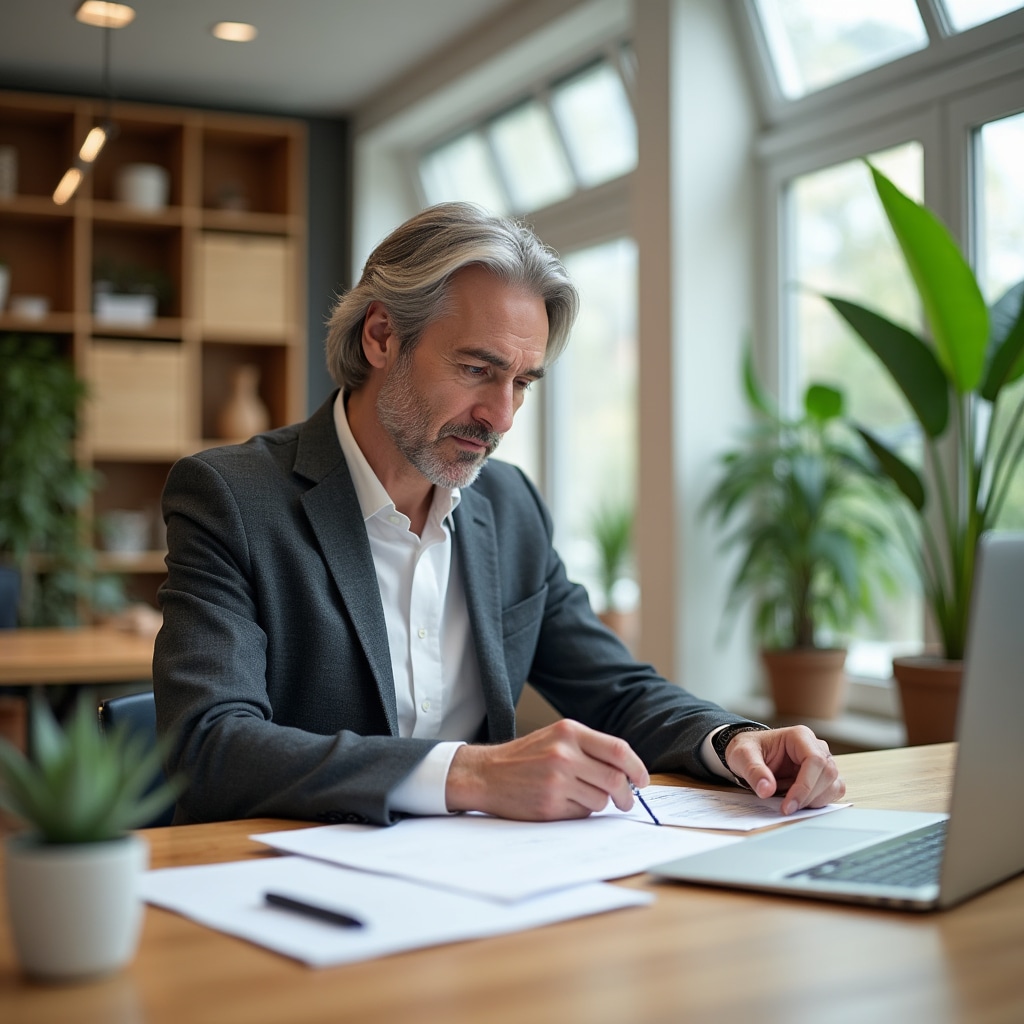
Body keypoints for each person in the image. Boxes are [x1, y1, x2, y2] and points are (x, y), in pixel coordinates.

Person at [154, 202, 844, 827]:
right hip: (283, 898)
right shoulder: (232, 497)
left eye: (521, 382)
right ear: (382, 337)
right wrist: (472, 773)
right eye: (478, 370)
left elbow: (617, 688)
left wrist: (734, 742)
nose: (502, 416)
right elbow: (209, 745)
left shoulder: (509, 506)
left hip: (480, 895)